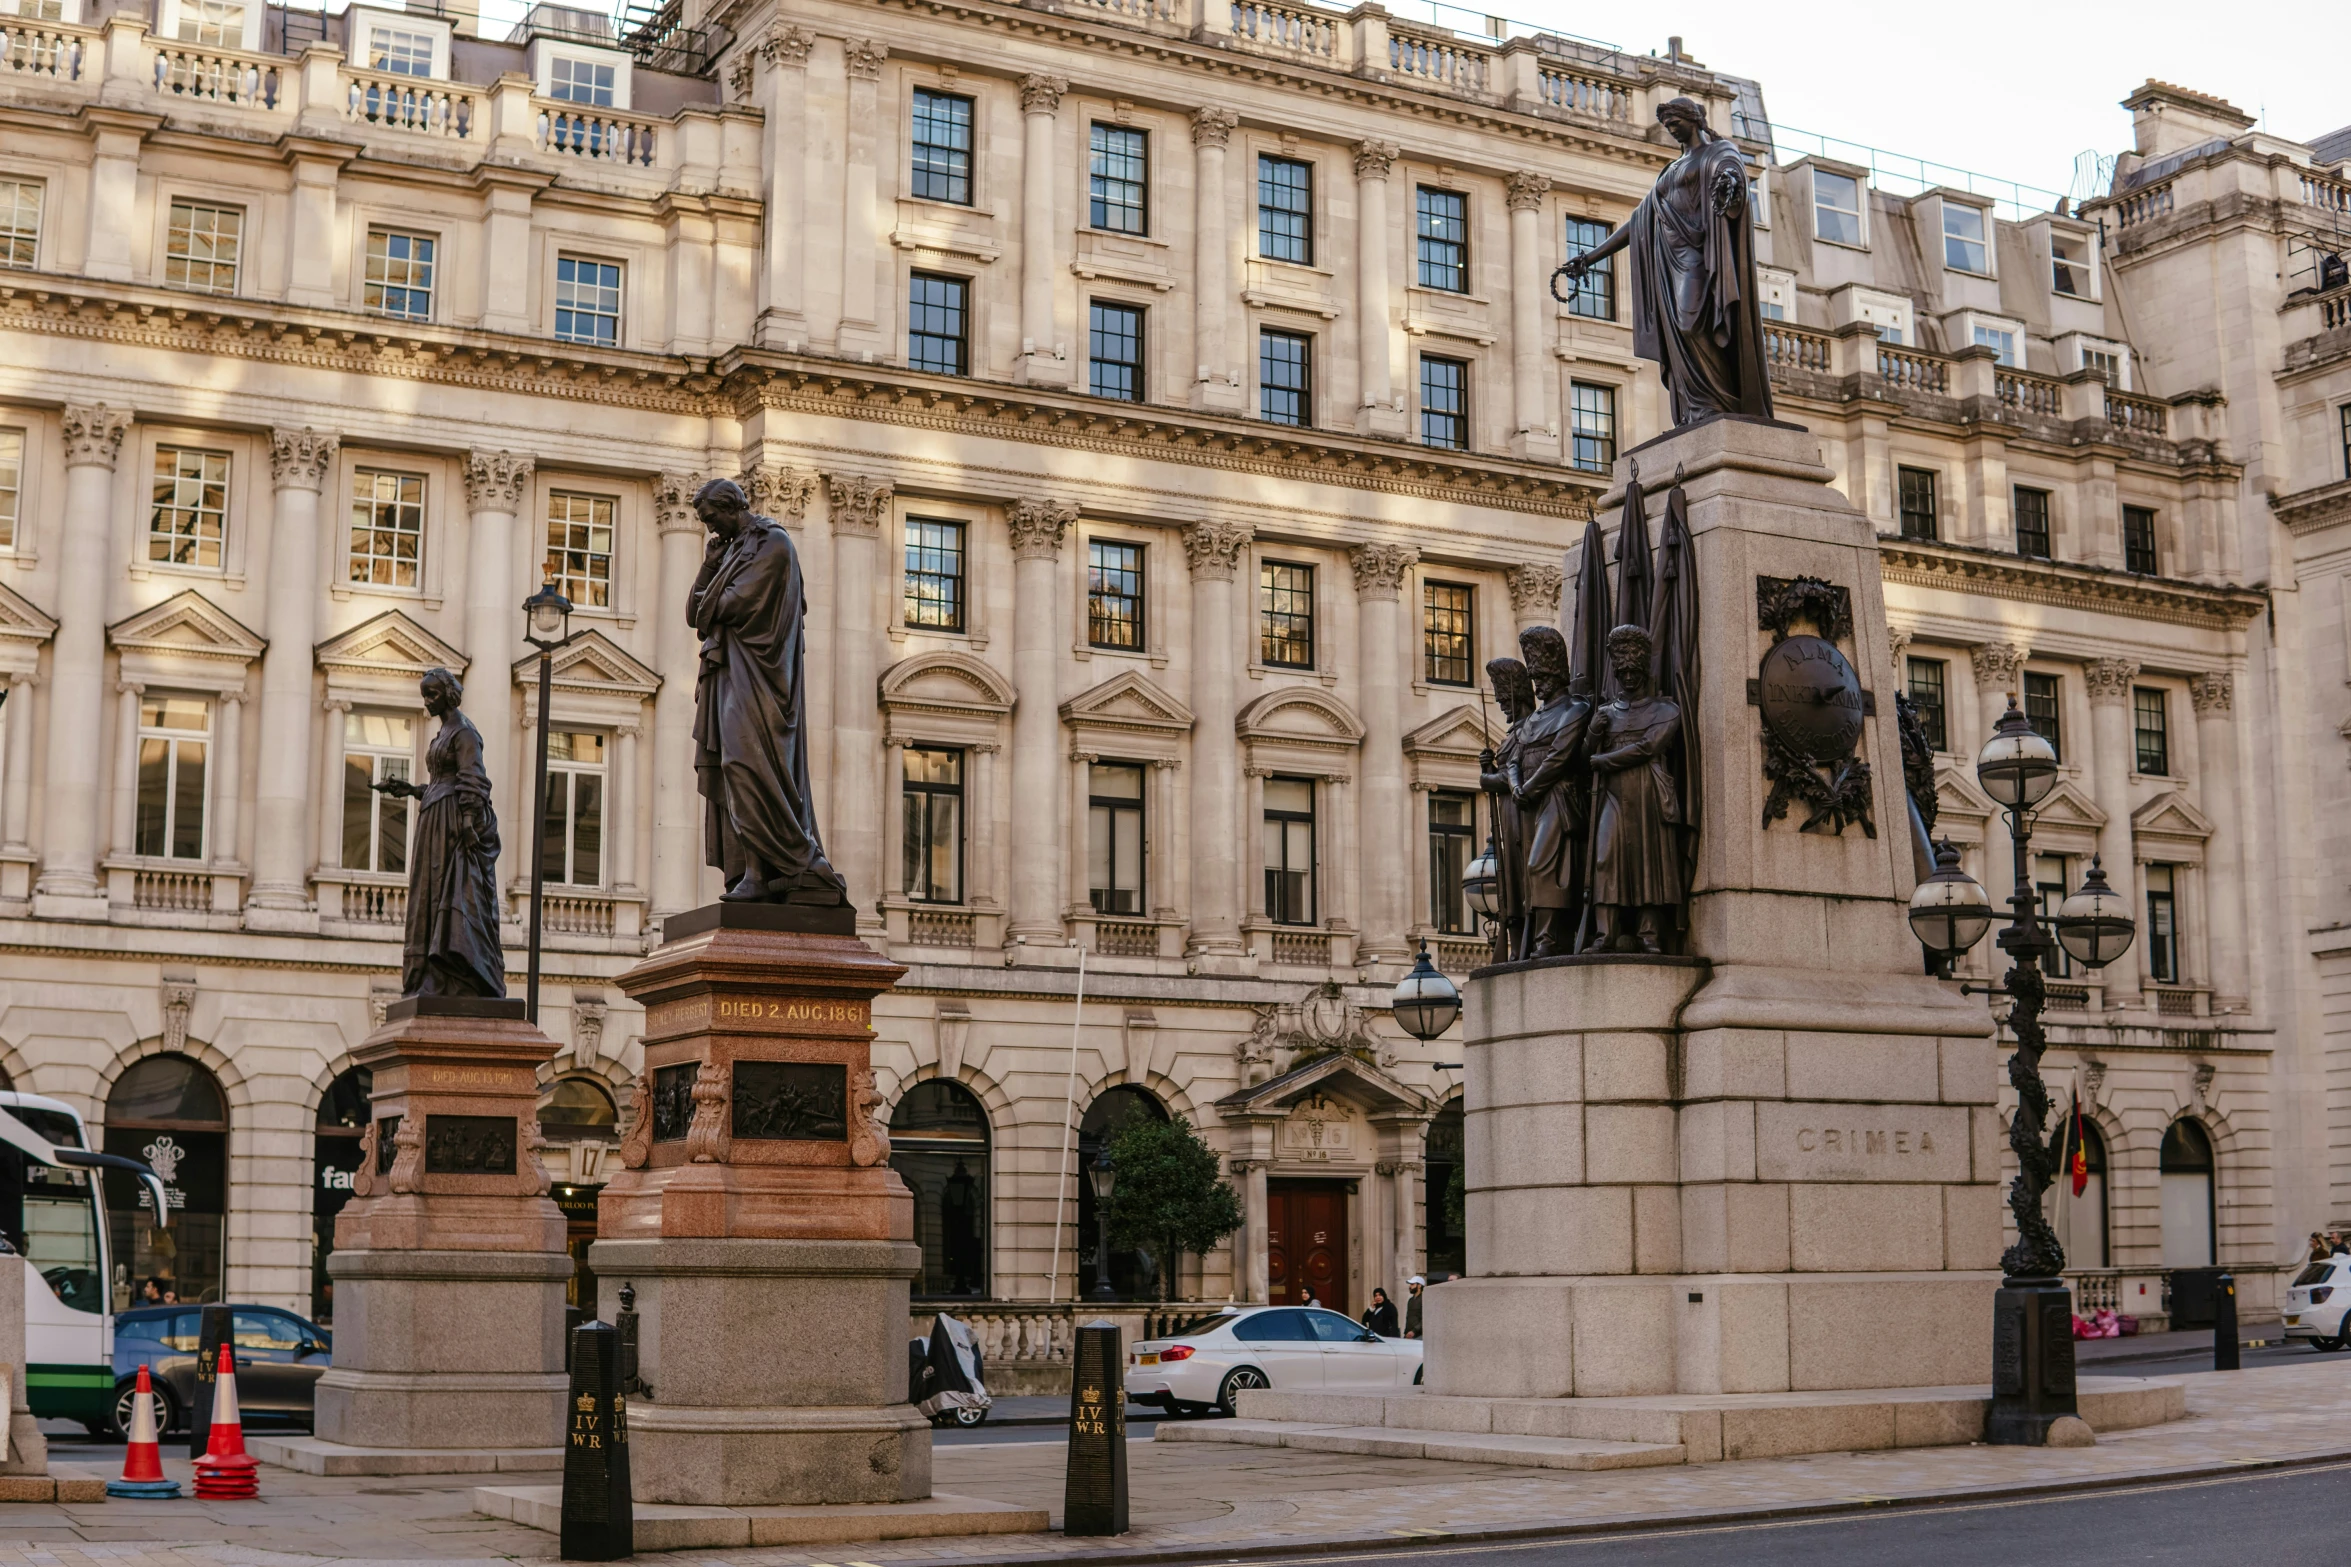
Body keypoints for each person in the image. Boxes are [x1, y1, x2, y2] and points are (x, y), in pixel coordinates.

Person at [689, 477, 847, 905]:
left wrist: (713, 595)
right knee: (730, 766)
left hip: (762, 679)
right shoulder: (735, 548)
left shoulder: (773, 544)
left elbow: (731, 606)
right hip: (732, 673)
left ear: (733, 506)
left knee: (746, 764)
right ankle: (751, 872)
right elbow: (694, 611)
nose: (710, 528)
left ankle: (774, 867)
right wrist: (709, 565)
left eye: (711, 518)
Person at [373, 667, 506, 997]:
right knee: (427, 897)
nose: (427, 702)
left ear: (448, 694)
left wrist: (466, 824)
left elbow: (473, 780)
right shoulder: (444, 732)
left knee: (445, 893)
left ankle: (447, 971)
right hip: (433, 817)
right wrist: (410, 789)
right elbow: (439, 783)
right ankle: (427, 975)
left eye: (431, 695)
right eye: (424, 696)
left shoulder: (464, 733)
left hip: (449, 824)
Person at [1403, 1275, 1425, 1339]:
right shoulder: (1410, 1300)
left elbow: (1425, 1318)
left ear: (1419, 1285)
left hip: (1419, 1335)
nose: (1410, 1286)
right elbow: (1408, 1317)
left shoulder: (1424, 1299)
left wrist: (1414, 1331)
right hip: (1409, 1334)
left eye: (1412, 1284)